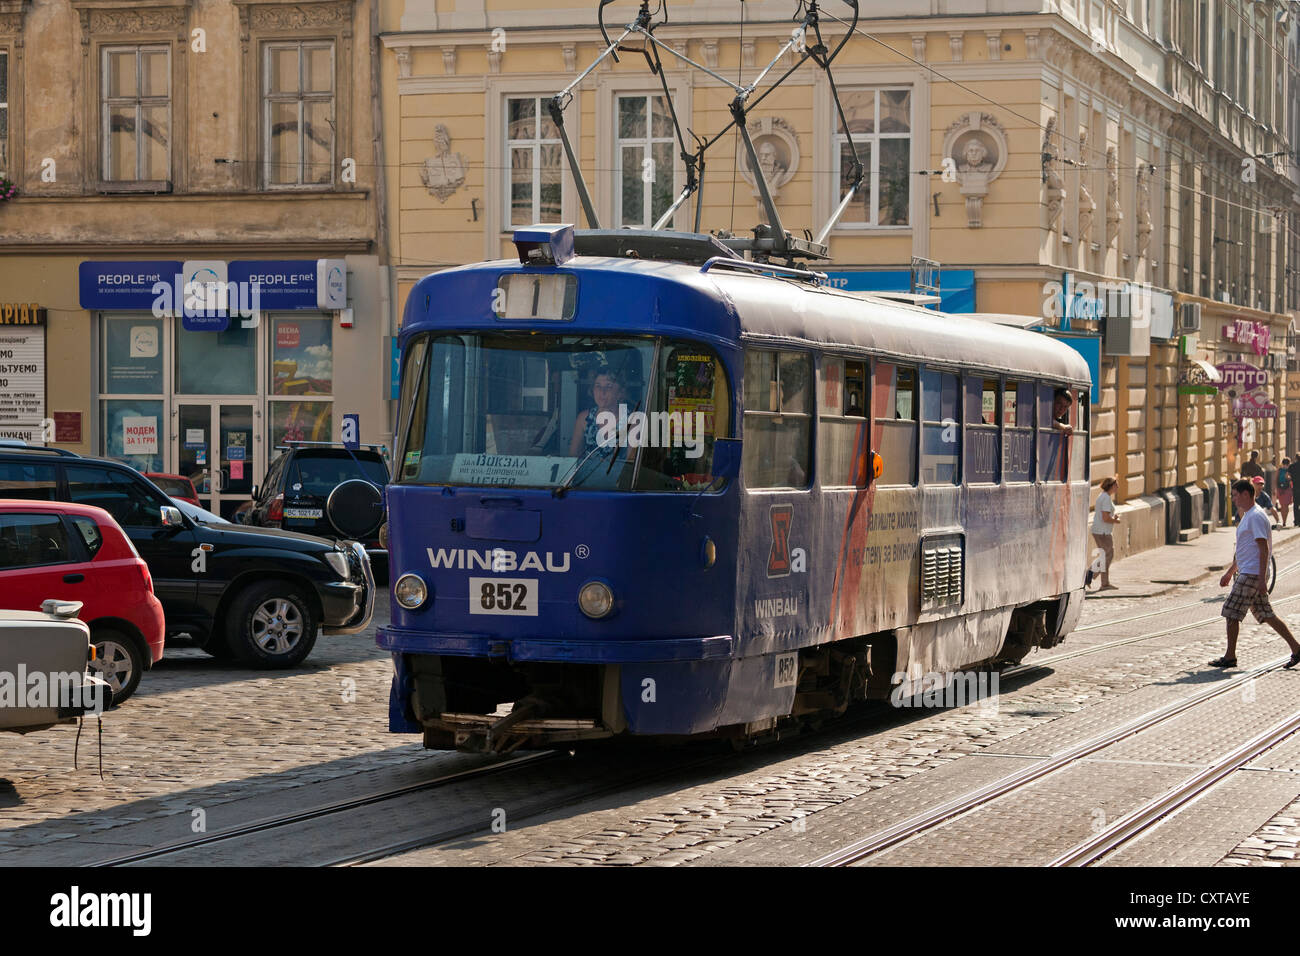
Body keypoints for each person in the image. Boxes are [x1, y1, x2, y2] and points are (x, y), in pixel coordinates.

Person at [1213, 478, 1300, 669]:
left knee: (1231, 612)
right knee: (1266, 614)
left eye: (1235, 495)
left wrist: (1262, 580)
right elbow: (1244, 551)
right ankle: (1297, 648)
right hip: (1249, 571)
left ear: (1246, 494)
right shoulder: (1248, 516)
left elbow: (1263, 550)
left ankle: (1230, 657)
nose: (1233, 499)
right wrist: (1229, 573)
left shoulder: (1256, 517)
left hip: (1252, 574)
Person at [568, 367, 627, 459]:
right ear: (592, 390)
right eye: (598, 386)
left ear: (620, 393)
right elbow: (572, 459)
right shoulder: (584, 418)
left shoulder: (632, 420)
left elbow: (631, 464)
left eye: (609, 386)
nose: (602, 392)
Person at [1090, 477, 1121, 590]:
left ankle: (1104, 583)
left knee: (1106, 555)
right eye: (1116, 485)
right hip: (1103, 532)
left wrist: (1112, 518)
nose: (1117, 487)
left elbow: (1105, 515)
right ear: (1111, 486)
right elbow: (1105, 518)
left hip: (1100, 530)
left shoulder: (1102, 496)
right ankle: (1089, 576)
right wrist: (1115, 520)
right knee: (1107, 555)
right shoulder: (1106, 498)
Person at [1275, 460, 1292, 528]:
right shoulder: (1279, 470)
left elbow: (1291, 479)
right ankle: (1284, 520)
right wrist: (1276, 488)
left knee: (1285, 505)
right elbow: (1276, 479)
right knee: (1283, 505)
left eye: (1286, 464)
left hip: (1287, 489)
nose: (1285, 465)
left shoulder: (1290, 470)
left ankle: (1284, 520)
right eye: (1284, 464)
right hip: (1282, 489)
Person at [1287, 452, 1300, 527]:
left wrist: (1291, 479)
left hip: (1295, 488)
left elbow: (1287, 476)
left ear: (1296, 458)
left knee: (1296, 505)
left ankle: (1296, 521)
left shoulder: (1292, 466)